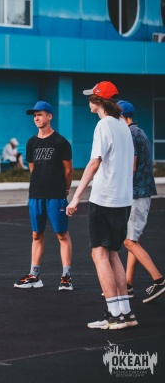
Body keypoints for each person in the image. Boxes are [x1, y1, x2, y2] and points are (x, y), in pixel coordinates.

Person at [66, 81, 137, 330]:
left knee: (99, 254)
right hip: (123, 201)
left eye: (91, 98)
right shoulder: (123, 126)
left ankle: (114, 315)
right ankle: (125, 312)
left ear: (98, 101)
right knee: (112, 253)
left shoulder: (104, 125)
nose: (88, 101)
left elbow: (94, 163)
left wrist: (76, 196)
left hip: (105, 199)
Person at [14, 101, 74, 291]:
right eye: (35, 116)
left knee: (62, 234)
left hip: (56, 195)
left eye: (40, 114)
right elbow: (33, 169)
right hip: (36, 195)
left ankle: (66, 277)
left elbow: (69, 170)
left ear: (50, 116)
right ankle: (34, 275)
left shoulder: (61, 142)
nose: (36, 118)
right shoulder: (31, 143)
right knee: (36, 234)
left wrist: (65, 190)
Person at [118, 100, 164, 303]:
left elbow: (132, 166)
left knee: (129, 241)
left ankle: (159, 280)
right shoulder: (140, 132)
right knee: (132, 240)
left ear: (121, 116)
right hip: (141, 192)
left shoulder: (130, 134)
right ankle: (127, 285)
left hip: (137, 193)